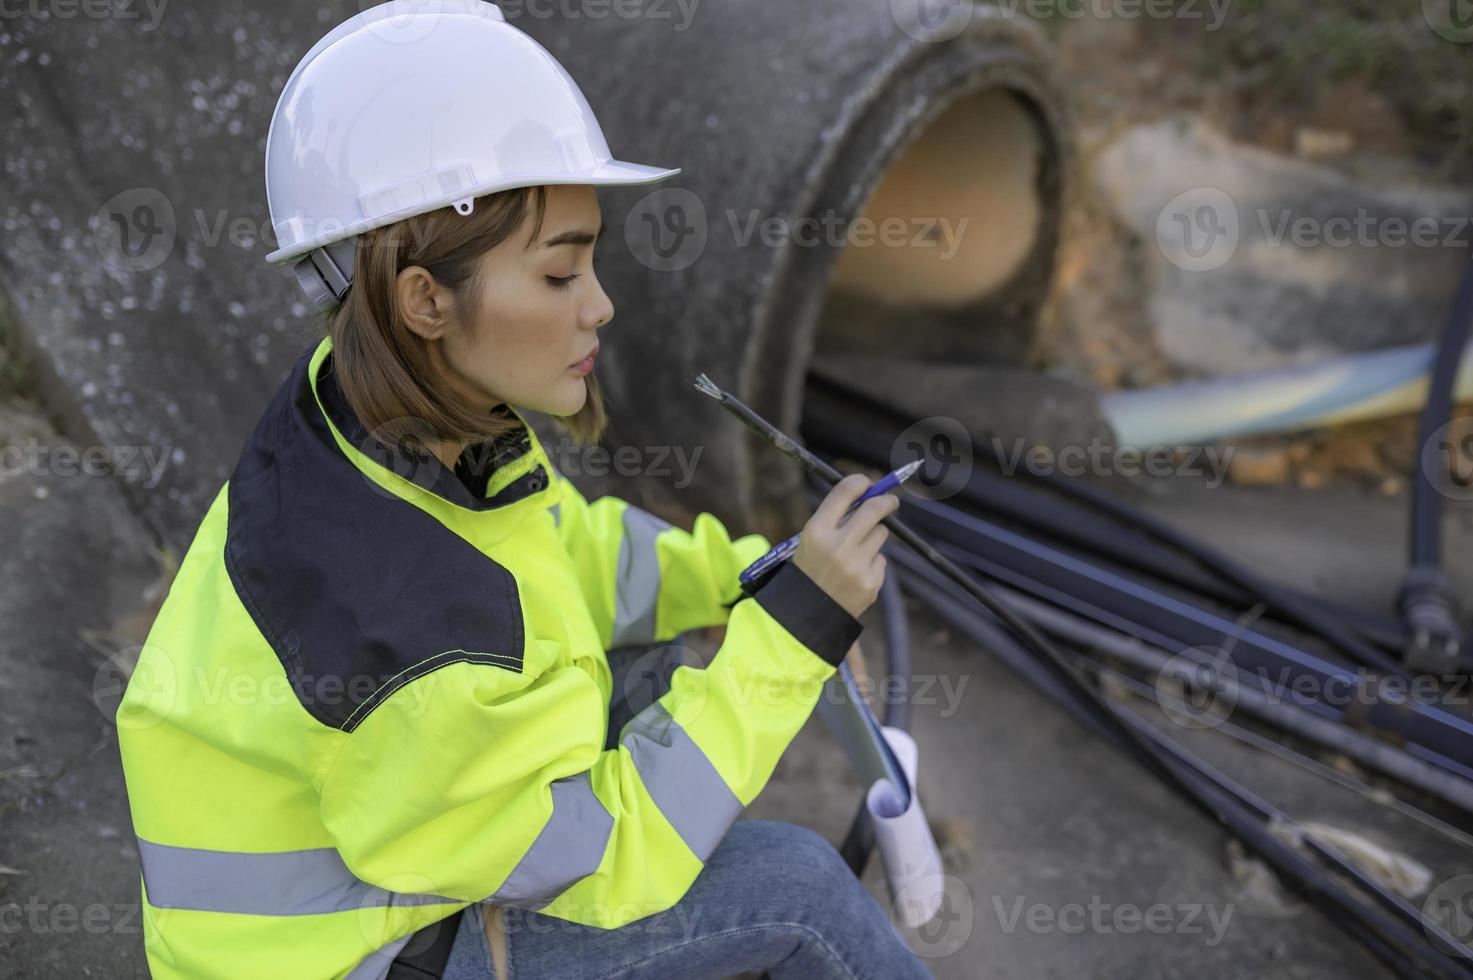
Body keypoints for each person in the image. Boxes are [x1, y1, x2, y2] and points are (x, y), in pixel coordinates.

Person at [116, 3, 933, 978]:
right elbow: (608, 856)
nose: (600, 303)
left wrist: (742, 575)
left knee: (650, 682)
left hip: (366, 870)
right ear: (424, 298)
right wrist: (791, 636)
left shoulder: (382, 416)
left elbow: (560, 549)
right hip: (338, 960)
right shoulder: (407, 623)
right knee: (795, 889)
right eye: (558, 274)